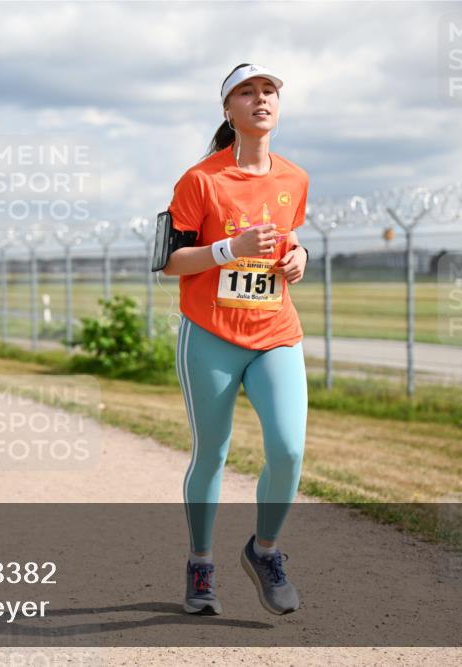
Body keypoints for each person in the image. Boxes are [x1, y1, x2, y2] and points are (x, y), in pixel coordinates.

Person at [161, 64, 309, 616]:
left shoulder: (295, 178)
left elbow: (289, 239)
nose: (260, 99)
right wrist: (230, 248)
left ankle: (264, 550)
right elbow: (170, 261)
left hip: (275, 332)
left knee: (289, 448)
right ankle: (201, 564)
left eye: (269, 91)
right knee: (213, 452)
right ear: (228, 109)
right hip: (211, 334)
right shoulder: (200, 180)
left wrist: (300, 257)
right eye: (246, 92)